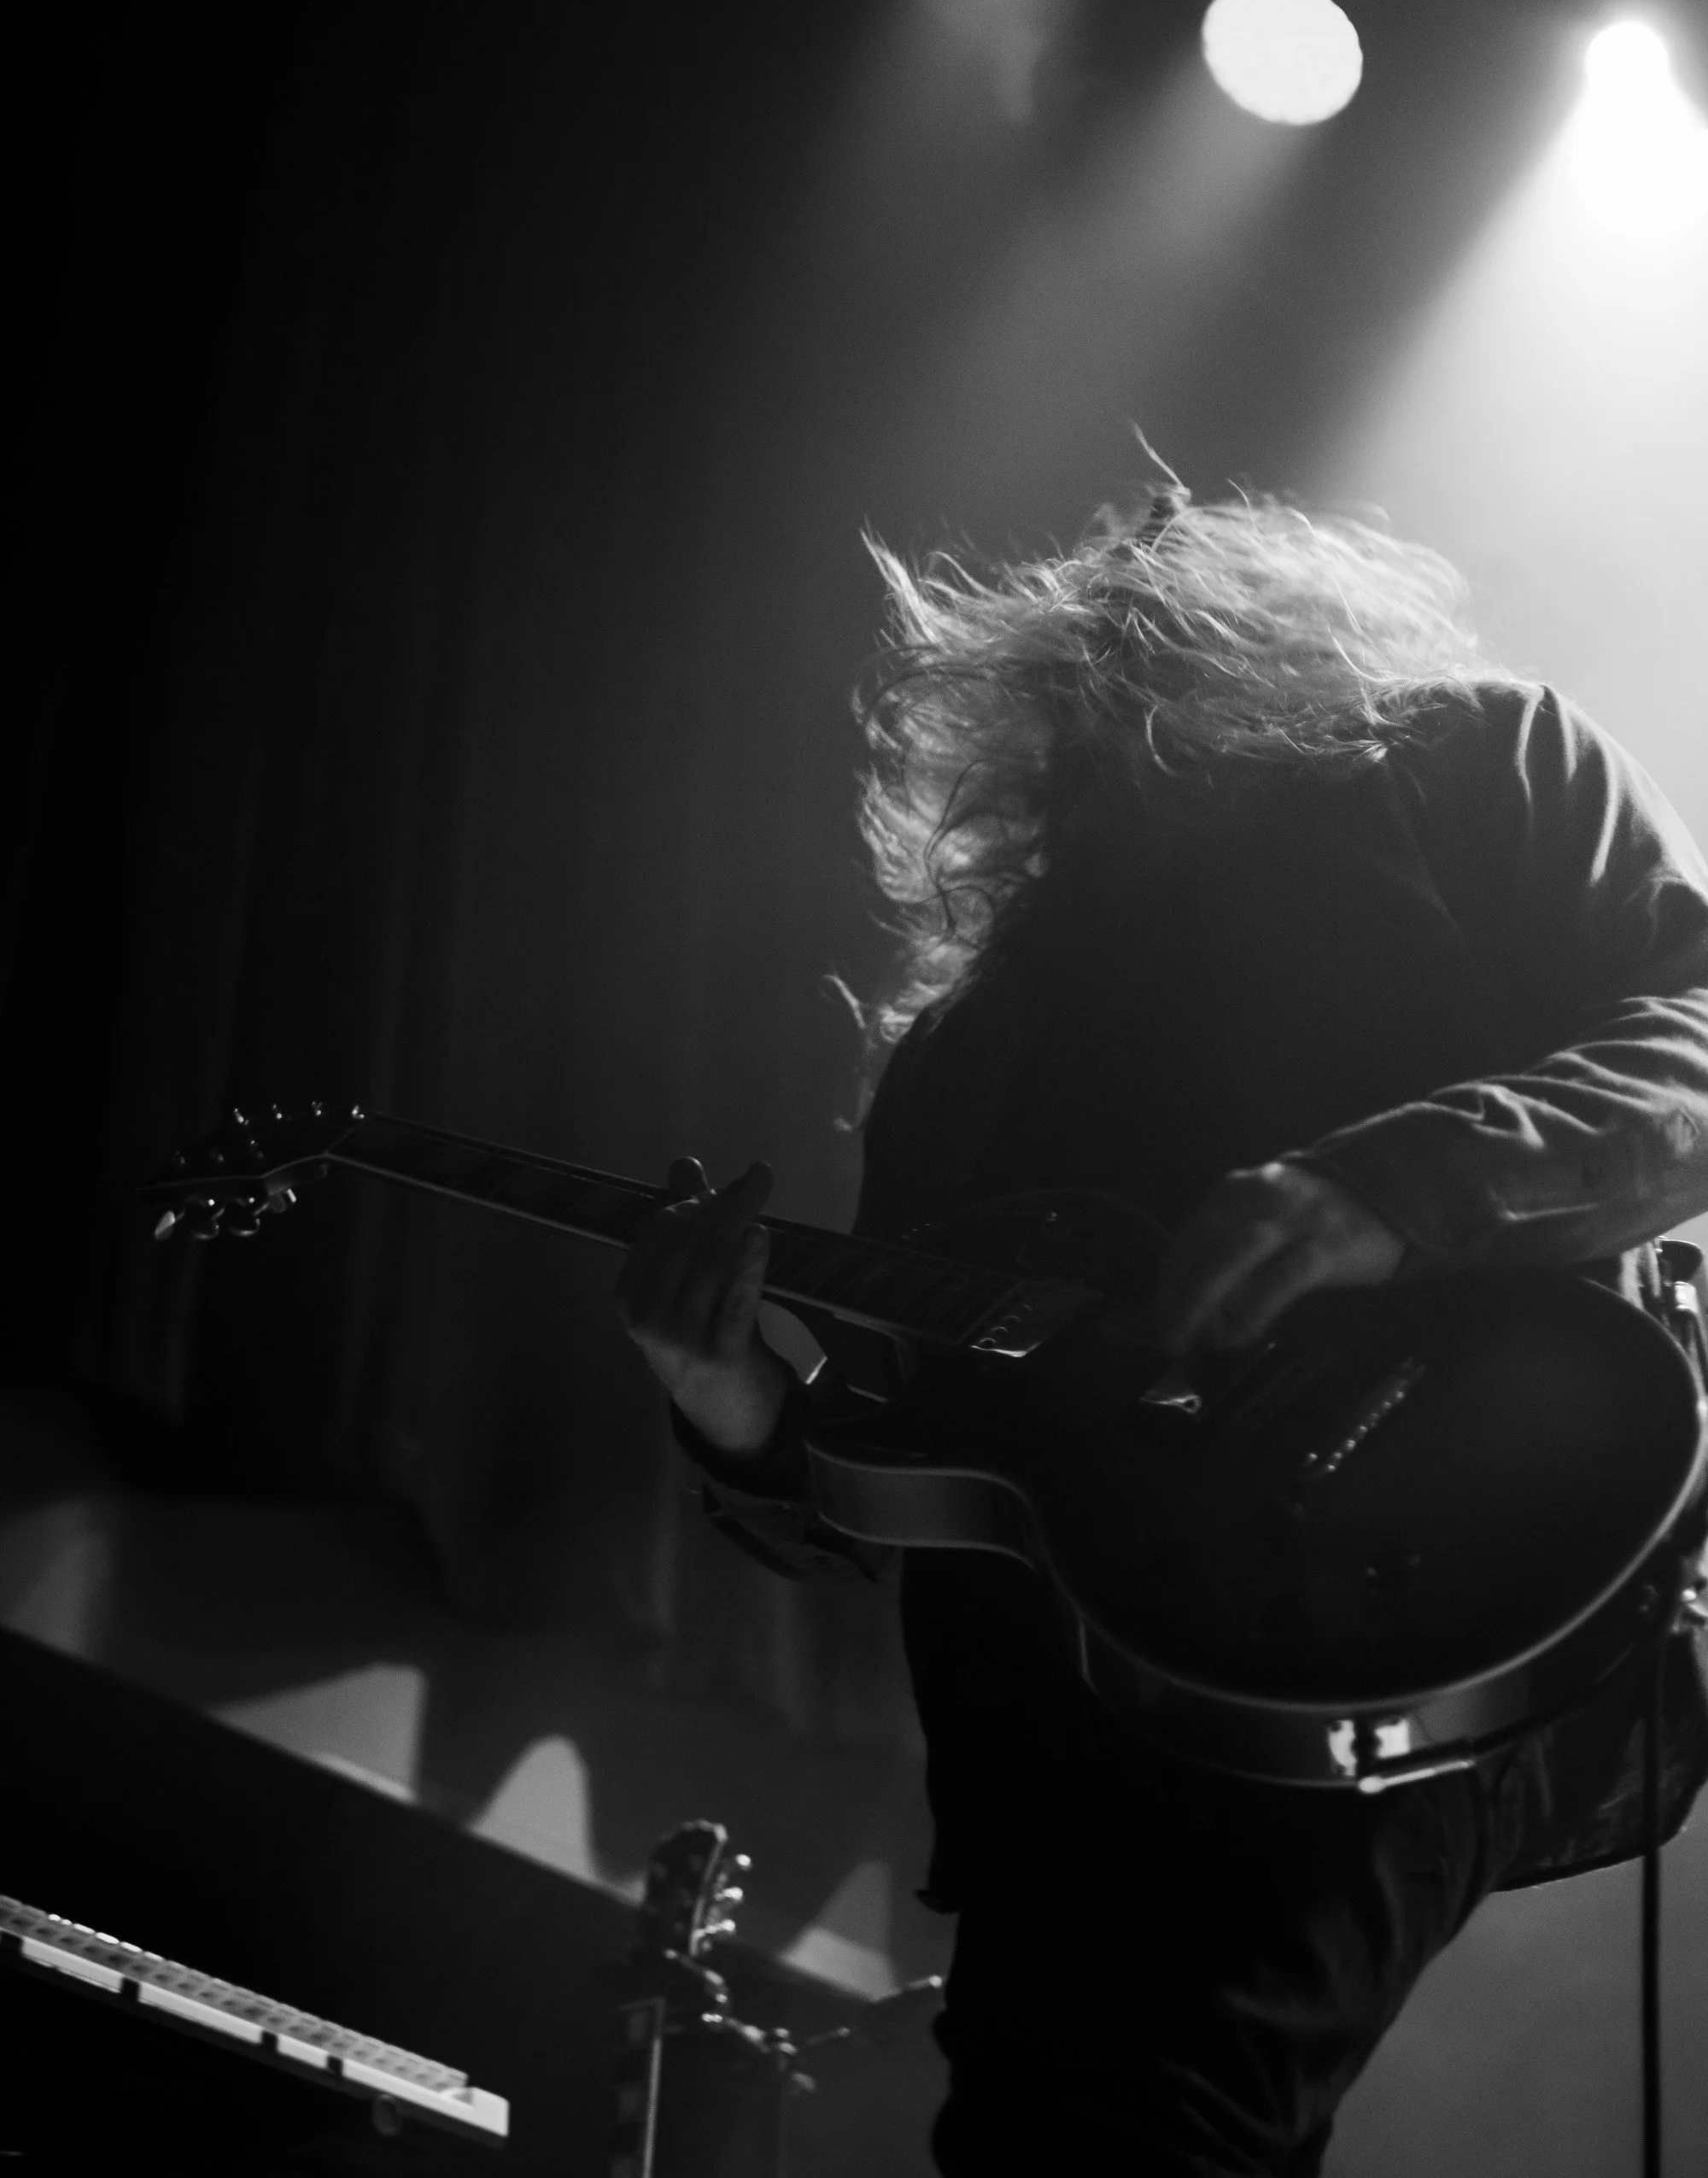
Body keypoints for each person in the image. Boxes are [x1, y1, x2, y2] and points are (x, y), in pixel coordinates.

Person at [616, 473, 1708, 2176]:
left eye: (1156, 637)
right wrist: (735, 1412)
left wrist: (1394, 1190)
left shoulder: (1477, 760)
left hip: (1420, 1567)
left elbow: (1691, 1050)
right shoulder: (961, 1061)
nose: (1096, 691)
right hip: (1071, 1723)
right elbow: (940, 1477)